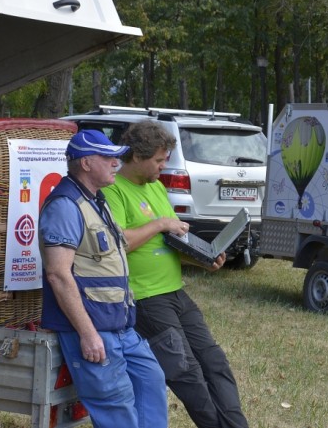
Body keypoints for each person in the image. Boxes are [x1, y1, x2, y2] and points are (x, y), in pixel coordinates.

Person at [104, 121, 249, 428]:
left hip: (175, 292)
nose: (163, 165)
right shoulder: (113, 190)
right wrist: (160, 223)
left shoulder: (156, 187)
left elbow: (172, 240)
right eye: (159, 160)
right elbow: (119, 243)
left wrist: (203, 259)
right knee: (187, 373)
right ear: (138, 157)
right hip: (144, 298)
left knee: (214, 362)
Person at [38, 129, 168, 428]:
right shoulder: (64, 206)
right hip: (94, 326)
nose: (116, 163)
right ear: (85, 163)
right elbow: (58, 275)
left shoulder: (97, 199)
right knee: (115, 402)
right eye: (108, 157)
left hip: (120, 325)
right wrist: (87, 334)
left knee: (151, 379)